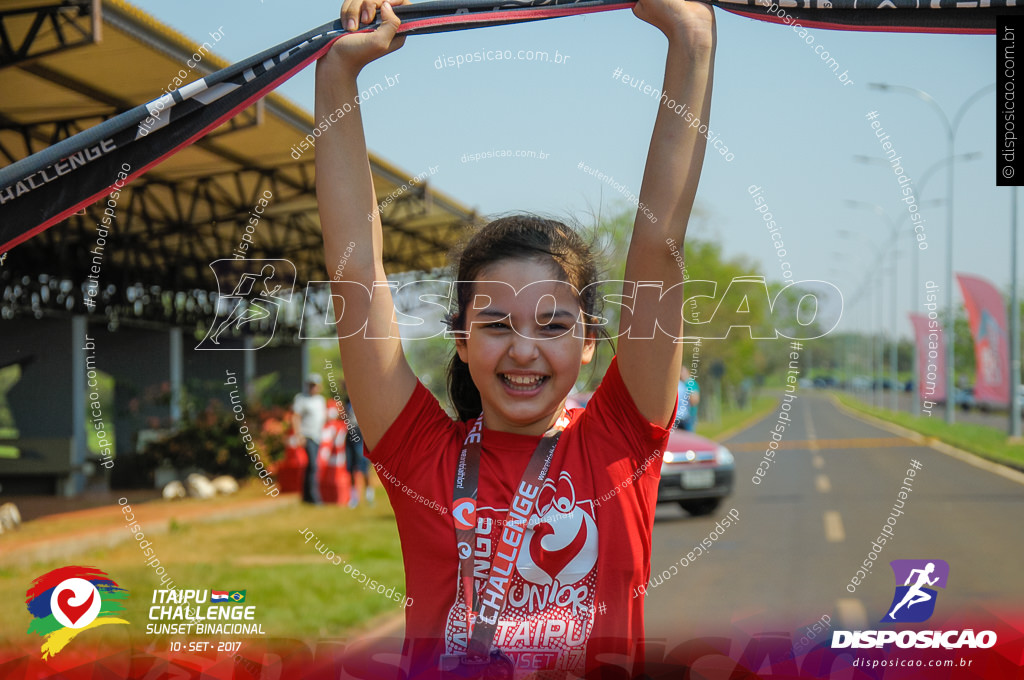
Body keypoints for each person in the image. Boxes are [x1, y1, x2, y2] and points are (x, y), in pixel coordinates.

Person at [315, 0, 714, 673]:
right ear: (462, 340)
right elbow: (355, 269)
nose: (524, 349)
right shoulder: (419, 455)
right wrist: (338, 76)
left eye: (554, 325)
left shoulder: (619, 441)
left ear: (590, 340)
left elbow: (659, 245)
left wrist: (691, 38)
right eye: (496, 325)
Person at [292, 373, 326, 504]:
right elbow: (296, 417)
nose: (313, 388)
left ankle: (306, 496)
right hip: (307, 435)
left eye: (315, 385)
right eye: (311, 385)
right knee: (313, 465)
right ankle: (314, 497)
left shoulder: (320, 400)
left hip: (318, 436)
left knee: (311, 466)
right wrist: (298, 435)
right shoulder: (301, 399)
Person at [343, 397, 374, 508]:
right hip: (350, 433)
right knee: (351, 467)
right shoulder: (346, 400)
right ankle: (354, 497)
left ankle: (369, 496)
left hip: (360, 433)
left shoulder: (363, 399)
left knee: (364, 465)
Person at [675, 365, 700, 431]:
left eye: (682, 371)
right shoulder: (678, 384)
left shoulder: (690, 383)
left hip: (689, 417)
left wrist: (687, 386)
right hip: (677, 417)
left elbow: (694, 401)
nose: (680, 374)